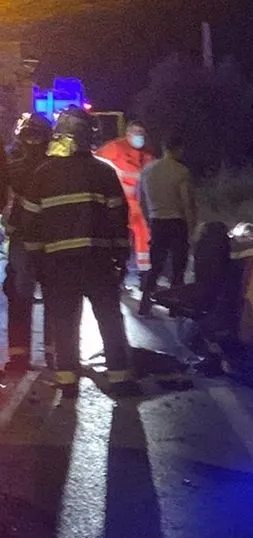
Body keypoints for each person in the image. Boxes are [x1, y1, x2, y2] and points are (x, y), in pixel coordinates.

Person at [19, 107, 137, 397]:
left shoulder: (42, 174)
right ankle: (120, 377)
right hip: (97, 260)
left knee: (64, 320)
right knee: (109, 318)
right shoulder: (103, 171)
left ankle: (67, 380)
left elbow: (29, 223)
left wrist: (36, 260)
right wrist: (120, 257)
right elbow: (117, 218)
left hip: (58, 264)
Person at [2, 113, 53, 374]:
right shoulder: (55, 163)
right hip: (50, 239)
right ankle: (56, 357)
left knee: (19, 296)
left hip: (24, 238)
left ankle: (19, 358)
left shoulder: (12, 161)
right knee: (55, 298)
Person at [137, 135, 196, 316]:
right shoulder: (181, 171)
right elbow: (186, 202)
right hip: (177, 222)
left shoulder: (147, 171)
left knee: (156, 265)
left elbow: (141, 200)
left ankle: (145, 304)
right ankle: (175, 307)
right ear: (179, 149)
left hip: (157, 221)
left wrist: (149, 219)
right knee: (178, 267)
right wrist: (192, 226)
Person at [96, 120, 155, 274]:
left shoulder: (146, 154)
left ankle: (144, 269)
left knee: (143, 232)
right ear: (127, 134)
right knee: (118, 233)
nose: (139, 136)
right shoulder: (116, 148)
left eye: (141, 133)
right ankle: (118, 267)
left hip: (138, 203)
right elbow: (97, 160)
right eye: (136, 132)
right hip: (118, 200)